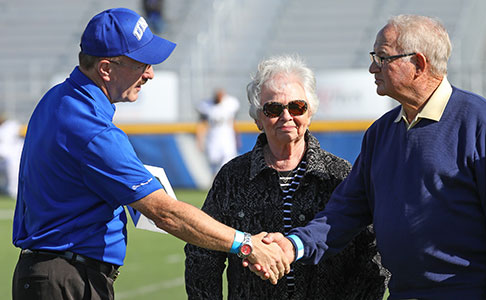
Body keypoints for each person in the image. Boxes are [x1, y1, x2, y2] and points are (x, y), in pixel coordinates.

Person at [11, 8, 288, 300]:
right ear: (105, 68)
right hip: (67, 280)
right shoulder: (93, 130)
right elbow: (165, 213)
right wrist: (246, 244)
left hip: (53, 274)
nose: (150, 73)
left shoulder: (58, 98)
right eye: (142, 62)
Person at [251, 15, 486, 299]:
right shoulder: (380, 133)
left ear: (418, 63)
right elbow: (344, 212)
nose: (372, 67)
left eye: (382, 57)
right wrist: (294, 245)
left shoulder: (478, 120)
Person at [185, 55, 386, 299]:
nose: (287, 116)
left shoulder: (338, 174)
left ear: (310, 112)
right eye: (273, 109)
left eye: (297, 107)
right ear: (258, 119)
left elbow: (372, 251)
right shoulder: (233, 177)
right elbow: (202, 252)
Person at [196, 88, 240, 175]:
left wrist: (237, 138)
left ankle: (227, 186)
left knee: (228, 163)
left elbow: (233, 122)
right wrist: (199, 140)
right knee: (214, 166)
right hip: (213, 139)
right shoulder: (207, 107)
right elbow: (202, 124)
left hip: (227, 139)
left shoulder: (230, 105)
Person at [0, 113, 23, 198]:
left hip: (13, 157)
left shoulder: (11, 125)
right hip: (3, 157)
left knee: (13, 172)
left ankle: (13, 192)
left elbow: (23, 131)